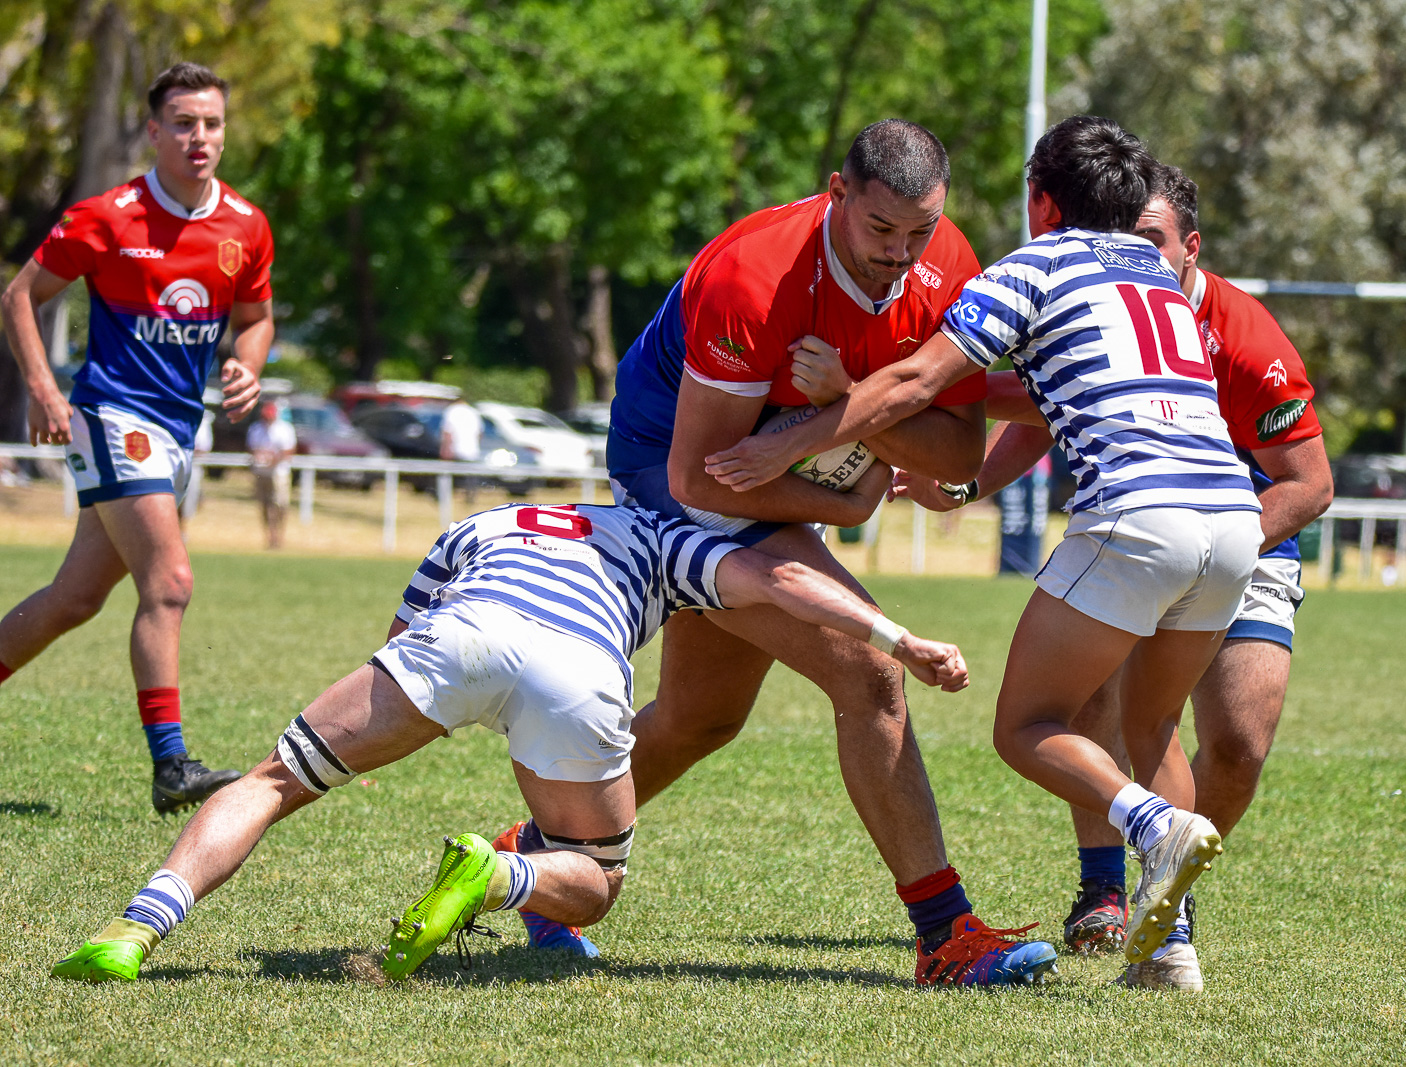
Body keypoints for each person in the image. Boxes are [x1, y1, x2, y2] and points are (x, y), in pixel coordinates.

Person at [705, 116, 1267, 979]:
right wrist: (956, 471)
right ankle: (1172, 949)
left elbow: (923, 379)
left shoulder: (1034, 265)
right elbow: (1035, 389)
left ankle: (1154, 826)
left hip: (1137, 514)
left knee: (1026, 726)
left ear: (1041, 199)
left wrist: (791, 438)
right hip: (1233, 519)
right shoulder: (1159, 275)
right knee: (1153, 728)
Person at [501, 119, 1056, 987]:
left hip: (767, 468)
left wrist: (844, 410)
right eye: (881, 231)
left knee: (700, 717)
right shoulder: (752, 281)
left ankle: (533, 857)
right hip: (670, 468)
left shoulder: (946, 257)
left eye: (920, 231)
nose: (903, 254)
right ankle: (945, 934)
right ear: (837, 192)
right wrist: (847, 489)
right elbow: (699, 476)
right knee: (871, 674)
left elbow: (953, 454)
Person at [49, 501, 974, 984]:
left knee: (274, 779)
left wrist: (408, 713)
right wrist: (899, 641)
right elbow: (776, 581)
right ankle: (500, 877)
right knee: (594, 878)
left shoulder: (482, 523)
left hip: (458, 638)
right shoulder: (658, 538)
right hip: (577, 670)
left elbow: (407, 624)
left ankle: (136, 927)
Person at [888, 165, 1333, 989]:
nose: (1135, 252)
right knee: (1131, 717)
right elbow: (1043, 407)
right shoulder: (1128, 293)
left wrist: (826, 406)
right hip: (1205, 528)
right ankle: (1141, 921)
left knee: (1198, 741)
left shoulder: (1234, 329)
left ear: (1190, 246)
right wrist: (964, 485)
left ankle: (1158, 842)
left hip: (1231, 533)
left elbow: (1310, 482)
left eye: (1153, 241)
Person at [0, 62, 274, 813]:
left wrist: (247, 368)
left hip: (179, 429)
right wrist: (44, 387)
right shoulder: (107, 216)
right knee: (171, 581)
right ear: (154, 131)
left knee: (73, 598)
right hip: (112, 416)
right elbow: (20, 295)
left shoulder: (245, 225)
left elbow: (255, 322)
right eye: (183, 123)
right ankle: (171, 764)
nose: (199, 138)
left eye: (211, 123)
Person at [247, 399, 296, 549]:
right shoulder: (256, 428)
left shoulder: (284, 429)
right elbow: (251, 447)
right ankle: (270, 535)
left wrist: (274, 459)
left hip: (279, 473)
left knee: (280, 505)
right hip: (261, 472)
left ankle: (279, 535)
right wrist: (259, 456)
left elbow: (289, 450)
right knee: (265, 505)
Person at [440, 397, 484, 502]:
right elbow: (480, 433)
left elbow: (448, 432)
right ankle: (470, 498)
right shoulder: (473, 412)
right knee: (470, 478)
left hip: (456, 449)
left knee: (449, 476)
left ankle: (444, 497)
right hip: (472, 450)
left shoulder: (451, 410)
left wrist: (445, 449)